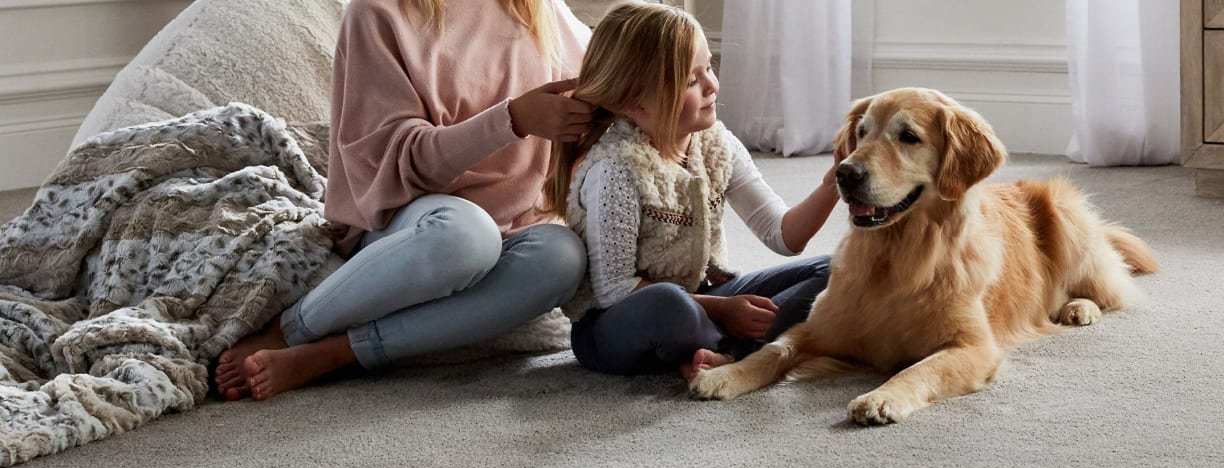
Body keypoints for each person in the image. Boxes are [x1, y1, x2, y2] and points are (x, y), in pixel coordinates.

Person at [216, 0, 595, 399]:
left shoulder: (540, 11)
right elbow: (401, 164)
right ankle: (291, 328)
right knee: (466, 237)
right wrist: (511, 120)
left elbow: (607, 90)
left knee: (564, 256)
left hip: (516, 228)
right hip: (412, 221)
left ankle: (340, 352)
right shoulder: (377, 13)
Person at [551, 2, 839, 381]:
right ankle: (731, 347)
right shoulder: (615, 169)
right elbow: (614, 290)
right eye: (691, 81)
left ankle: (720, 354)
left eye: (709, 68)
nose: (712, 86)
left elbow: (784, 235)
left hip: (700, 297)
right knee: (670, 306)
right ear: (635, 103)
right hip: (617, 321)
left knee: (836, 268)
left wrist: (835, 179)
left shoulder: (717, 145)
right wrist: (724, 311)